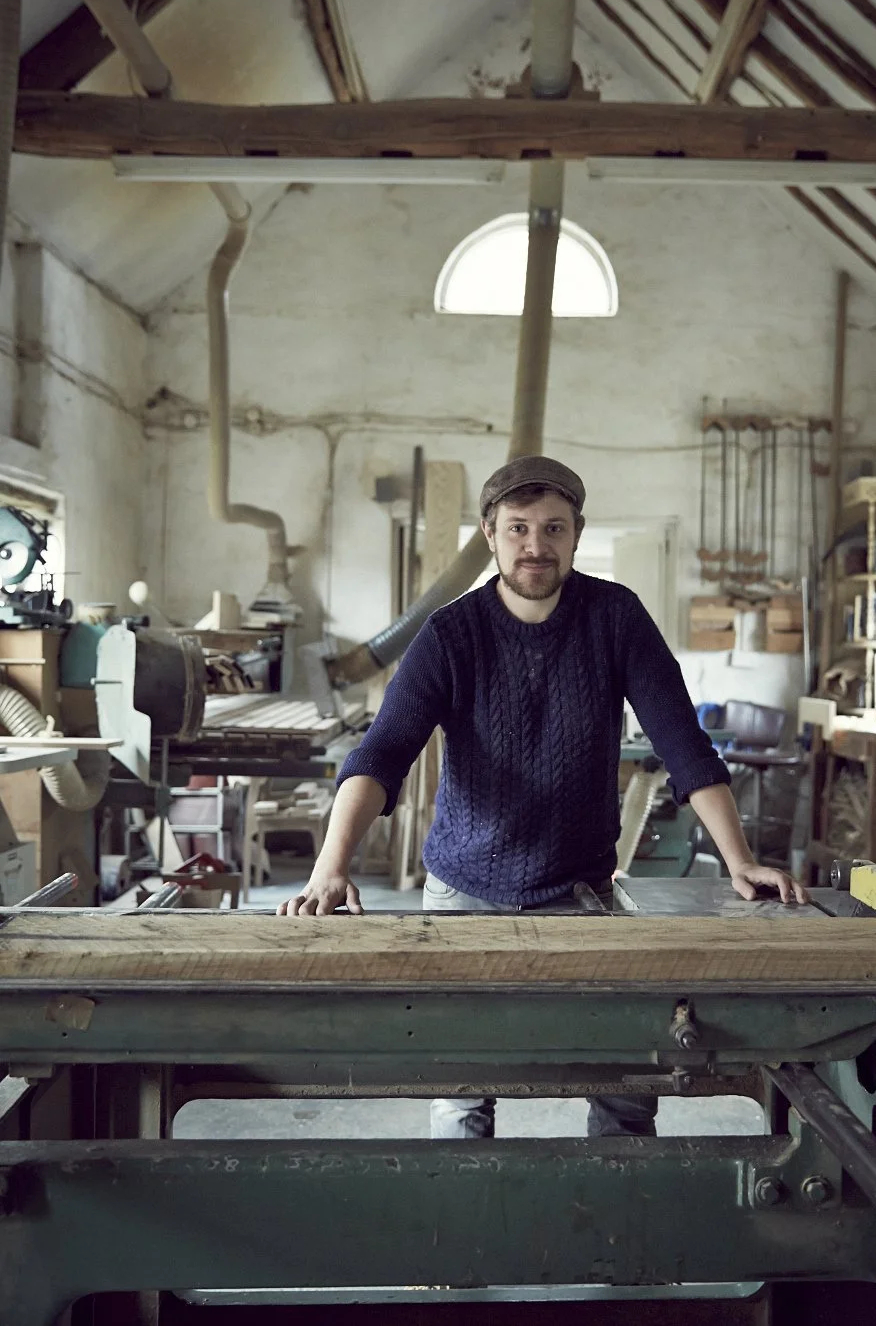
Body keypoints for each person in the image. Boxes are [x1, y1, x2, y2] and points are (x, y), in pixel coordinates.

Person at [280, 455, 808, 1137]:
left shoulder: (614, 617)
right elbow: (380, 755)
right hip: (463, 890)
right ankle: (463, 1223)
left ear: (576, 535)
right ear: (490, 533)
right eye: (518, 528)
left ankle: (617, 1215)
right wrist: (330, 866)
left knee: (624, 1079)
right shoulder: (450, 634)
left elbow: (682, 744)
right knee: (461, 1088)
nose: (535, 545)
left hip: (579, 891)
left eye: (552, 528)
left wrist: (738, 861)